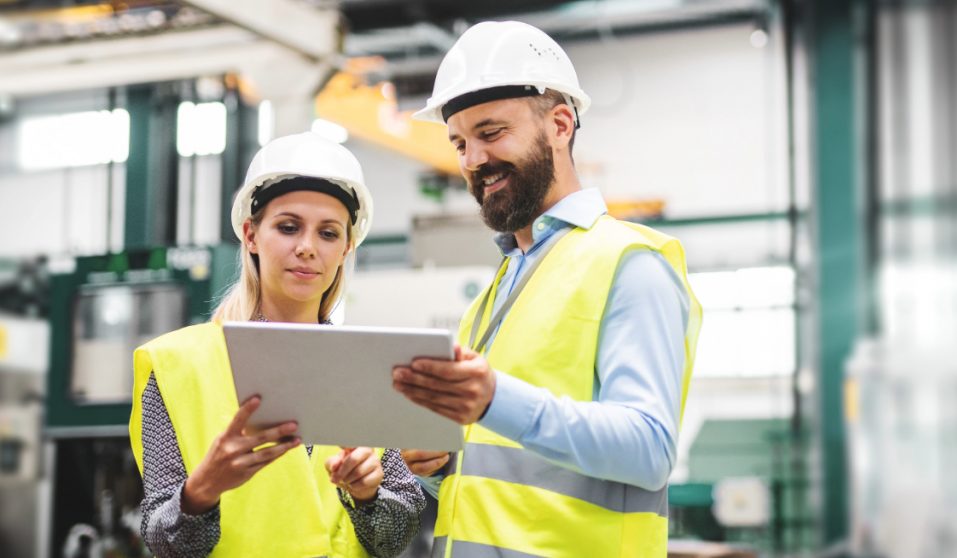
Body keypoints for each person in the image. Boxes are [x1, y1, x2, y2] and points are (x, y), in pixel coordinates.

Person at [391, 21, 702, 557]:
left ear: (560, 124)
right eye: (459, 142)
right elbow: (504, 480)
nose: (471, 161)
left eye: (490, 134)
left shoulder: (631, 264)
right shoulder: (493, 295)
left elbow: (649, 449)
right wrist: (441, 468)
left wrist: (493, 400)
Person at [128, 132, 425, 557]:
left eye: (328, 233)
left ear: (345, 249)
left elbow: (396, 536)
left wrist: (366, 495)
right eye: (288, 228)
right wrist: (202, 490)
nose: (307, 248)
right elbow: (163, 543)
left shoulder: (367, 366)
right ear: (251, 235)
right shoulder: (178, 366)